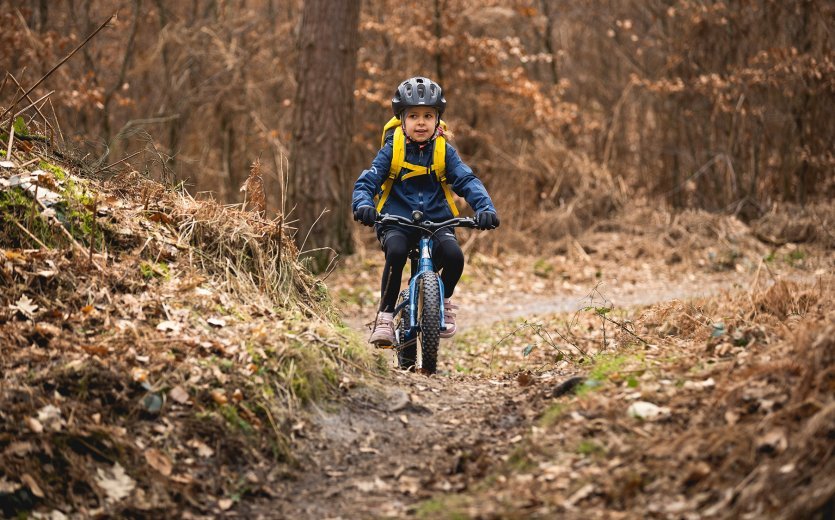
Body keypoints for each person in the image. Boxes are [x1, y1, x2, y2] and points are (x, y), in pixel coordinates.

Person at [352, 76, 499, 347]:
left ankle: (443, 298)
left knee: (454, 256)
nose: (421, 122)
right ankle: (385, 316)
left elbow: (467, 181)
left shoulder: (444, 151)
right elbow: (368, 181)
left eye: (428, 116)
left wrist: (484, 207)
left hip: (438, 219)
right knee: (396, 253)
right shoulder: (391, 150)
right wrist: (363, 204)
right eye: (414, 116)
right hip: (396, 219)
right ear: (402, 120)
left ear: (437, 120)